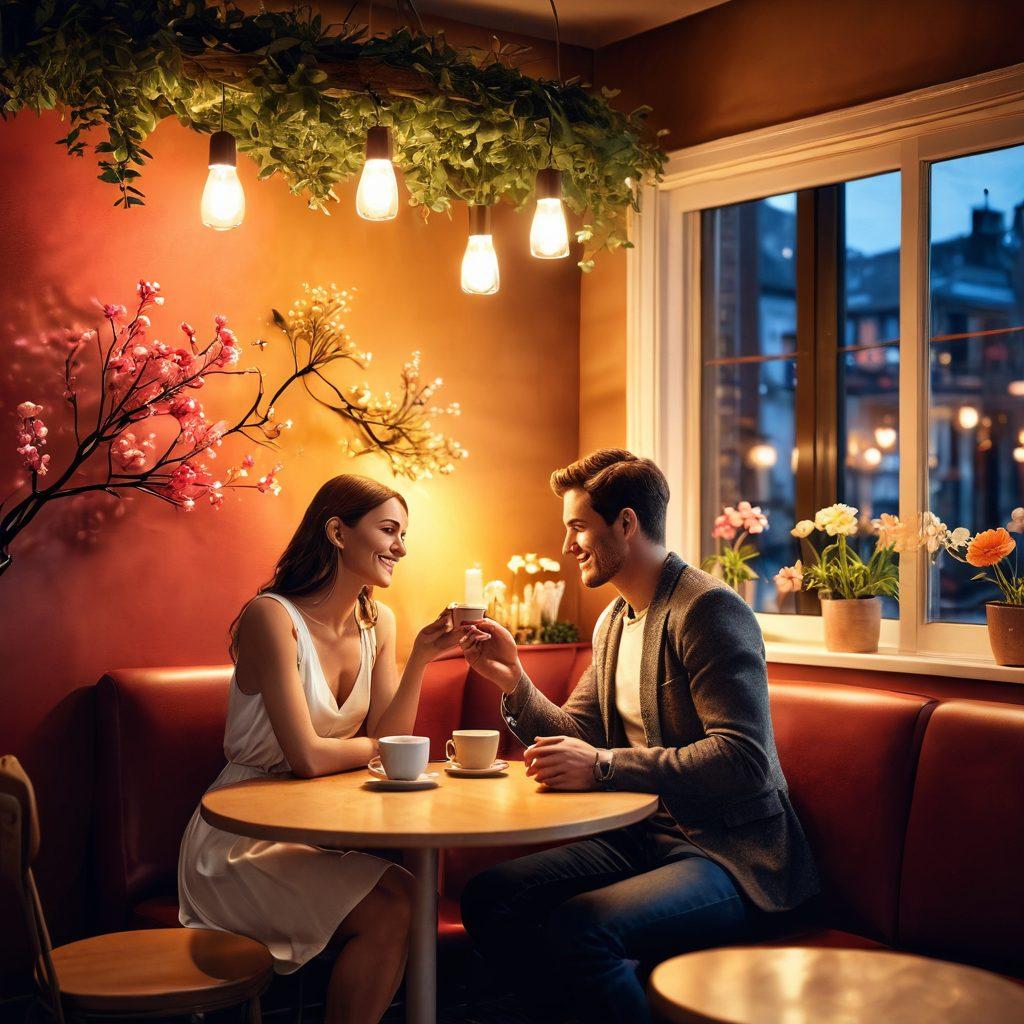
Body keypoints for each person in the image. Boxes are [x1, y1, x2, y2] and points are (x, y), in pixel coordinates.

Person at [458, 449, 819, 1023]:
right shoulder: (615, 620)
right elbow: (578, 732)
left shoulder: (707, 610)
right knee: (491, 896)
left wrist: (604, 767)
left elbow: (743, 758)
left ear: (625, 523)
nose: (567, 545)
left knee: (585, 929)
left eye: (578, 527)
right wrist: (515, 681)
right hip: (640, 837)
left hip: (731, 854)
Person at [178, 474, 479, 1024]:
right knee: (397, 903)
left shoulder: (379, 622)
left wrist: (418, 660)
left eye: (404, 534)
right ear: (338, 531)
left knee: (405, 896)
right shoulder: (270, 616)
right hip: (241, 837)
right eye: (389, 530)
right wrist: (375, 750)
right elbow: (308, 758)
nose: (401, 548)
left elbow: (392, 744)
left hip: (309, 830)